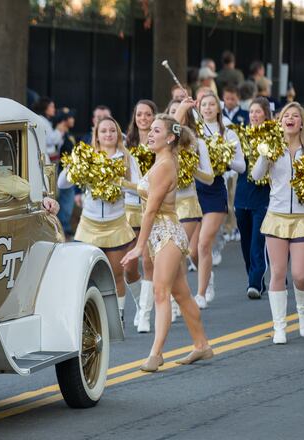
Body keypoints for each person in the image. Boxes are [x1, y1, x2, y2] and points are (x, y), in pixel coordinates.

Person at [121, 114, 213, 372]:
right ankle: (201, 345)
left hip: (168, 235)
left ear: (170, 138)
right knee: (181, 294)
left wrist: (139, 247)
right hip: (159, 235)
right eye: (149, 130)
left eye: (156, 130)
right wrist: (182, 107)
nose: (149, 134)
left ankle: (156, 353)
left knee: (161, 293)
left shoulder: (164, 166)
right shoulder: (162, 160)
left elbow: (150, 211)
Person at [251, 102, 304, 344]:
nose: (290, 119)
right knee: (278, 272)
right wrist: (265, 154)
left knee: (300, 275)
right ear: (280, 121)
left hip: (303, 218)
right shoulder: (273, 148)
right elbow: (256, 176)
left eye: (295, 115)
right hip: (277, 216)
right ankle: (279, 326)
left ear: (302, 123)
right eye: (286, 116)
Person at [58, 116, 140, 324]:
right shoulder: (87, 157)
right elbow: (62, 183)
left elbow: (139, 187)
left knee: (116, 273)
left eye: (112, 130)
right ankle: (90, 317)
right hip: (89, 224)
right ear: (96, 135)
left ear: (118, 133)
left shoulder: (126, 158)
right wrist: (76, 165)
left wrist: (120, 184)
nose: (108, 134)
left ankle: (119, 315)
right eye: (103, 131)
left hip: (116, 223)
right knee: (87, 275)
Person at [194, 92, 246, 309]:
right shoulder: (192, 131)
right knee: (191, 250)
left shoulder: (229, 132)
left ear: (218, 108)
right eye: (203, 104)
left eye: (211, 104)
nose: (207, 108)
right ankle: (208, 276)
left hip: (215, 189)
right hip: (192, 190)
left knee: (204, 243)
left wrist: (223, 159)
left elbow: (242, 166)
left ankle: (201, 293)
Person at [168, 98, 214, 320]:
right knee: (170, 257)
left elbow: (209, 177)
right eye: (174, 112)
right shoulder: (163, 143)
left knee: (176, 252)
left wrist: (192, 168)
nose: (179, 115)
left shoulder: (197, 143)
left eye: (182, 112)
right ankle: (178, 295)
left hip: (187, 204)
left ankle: (176, 299)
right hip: (165, 205)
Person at [123, 99, 159, 331]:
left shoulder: (161, 143)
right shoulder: (126, 144)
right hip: (129, 208)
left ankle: (145, 315)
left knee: (148, 260)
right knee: (128, 267)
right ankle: (140, 302)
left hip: (153, 207)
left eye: (147, 115)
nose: (143, 119)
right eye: (139, 115)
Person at [235, 97, 272, 299]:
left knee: (258, 241)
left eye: (258, 112)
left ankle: (255, 282)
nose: (254, 115)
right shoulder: (242, 135)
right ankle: (255, 276)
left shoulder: (274, 136)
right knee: (246, 242)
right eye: (251, 112)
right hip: (242, 195)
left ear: (266, 114)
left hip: (263, 197)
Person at [54, 107, 77, 237]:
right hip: (63, 171)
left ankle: (65, 225)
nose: (73, 120)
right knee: (65, 199)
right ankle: (63, 226)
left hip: (70, 170)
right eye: (70, 118)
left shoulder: (66, 133)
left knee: (67, 199)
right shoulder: (60, 133)